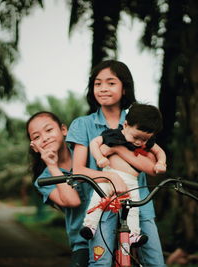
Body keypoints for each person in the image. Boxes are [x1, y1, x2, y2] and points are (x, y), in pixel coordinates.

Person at [66, 59, 166, 267]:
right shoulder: (83, 125)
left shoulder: (139, 119)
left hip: (139, 203)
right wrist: (110, 176)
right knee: (100, 263)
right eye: (97, 83)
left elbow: (150, 168)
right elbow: (78, 170)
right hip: (104, 203)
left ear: (124, 88)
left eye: (111, 83)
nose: (103, 89)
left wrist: (117, 148)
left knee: (155, 262)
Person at [80, 103, 167, 248]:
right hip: (109, 177)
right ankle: (90, 226)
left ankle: (133, 234)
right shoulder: (113, 134)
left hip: (131, 183)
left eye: (144, 140)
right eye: (136, 137)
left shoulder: (147, 141)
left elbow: (160, 152)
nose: (140, 142)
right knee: (98, 199)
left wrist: (161, 163)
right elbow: (95, 143)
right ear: (125, 125)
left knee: (132, 209)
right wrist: (99, 158)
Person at [27, 111, 90, 267]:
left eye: (49, 130)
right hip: (84, 242)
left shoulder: (85, 153)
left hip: (113, 230)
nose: (45, 138)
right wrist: (53, 166)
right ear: (34, 146)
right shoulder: (44, 180)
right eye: (37, 137)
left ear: (63, 130)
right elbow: (73, 201)